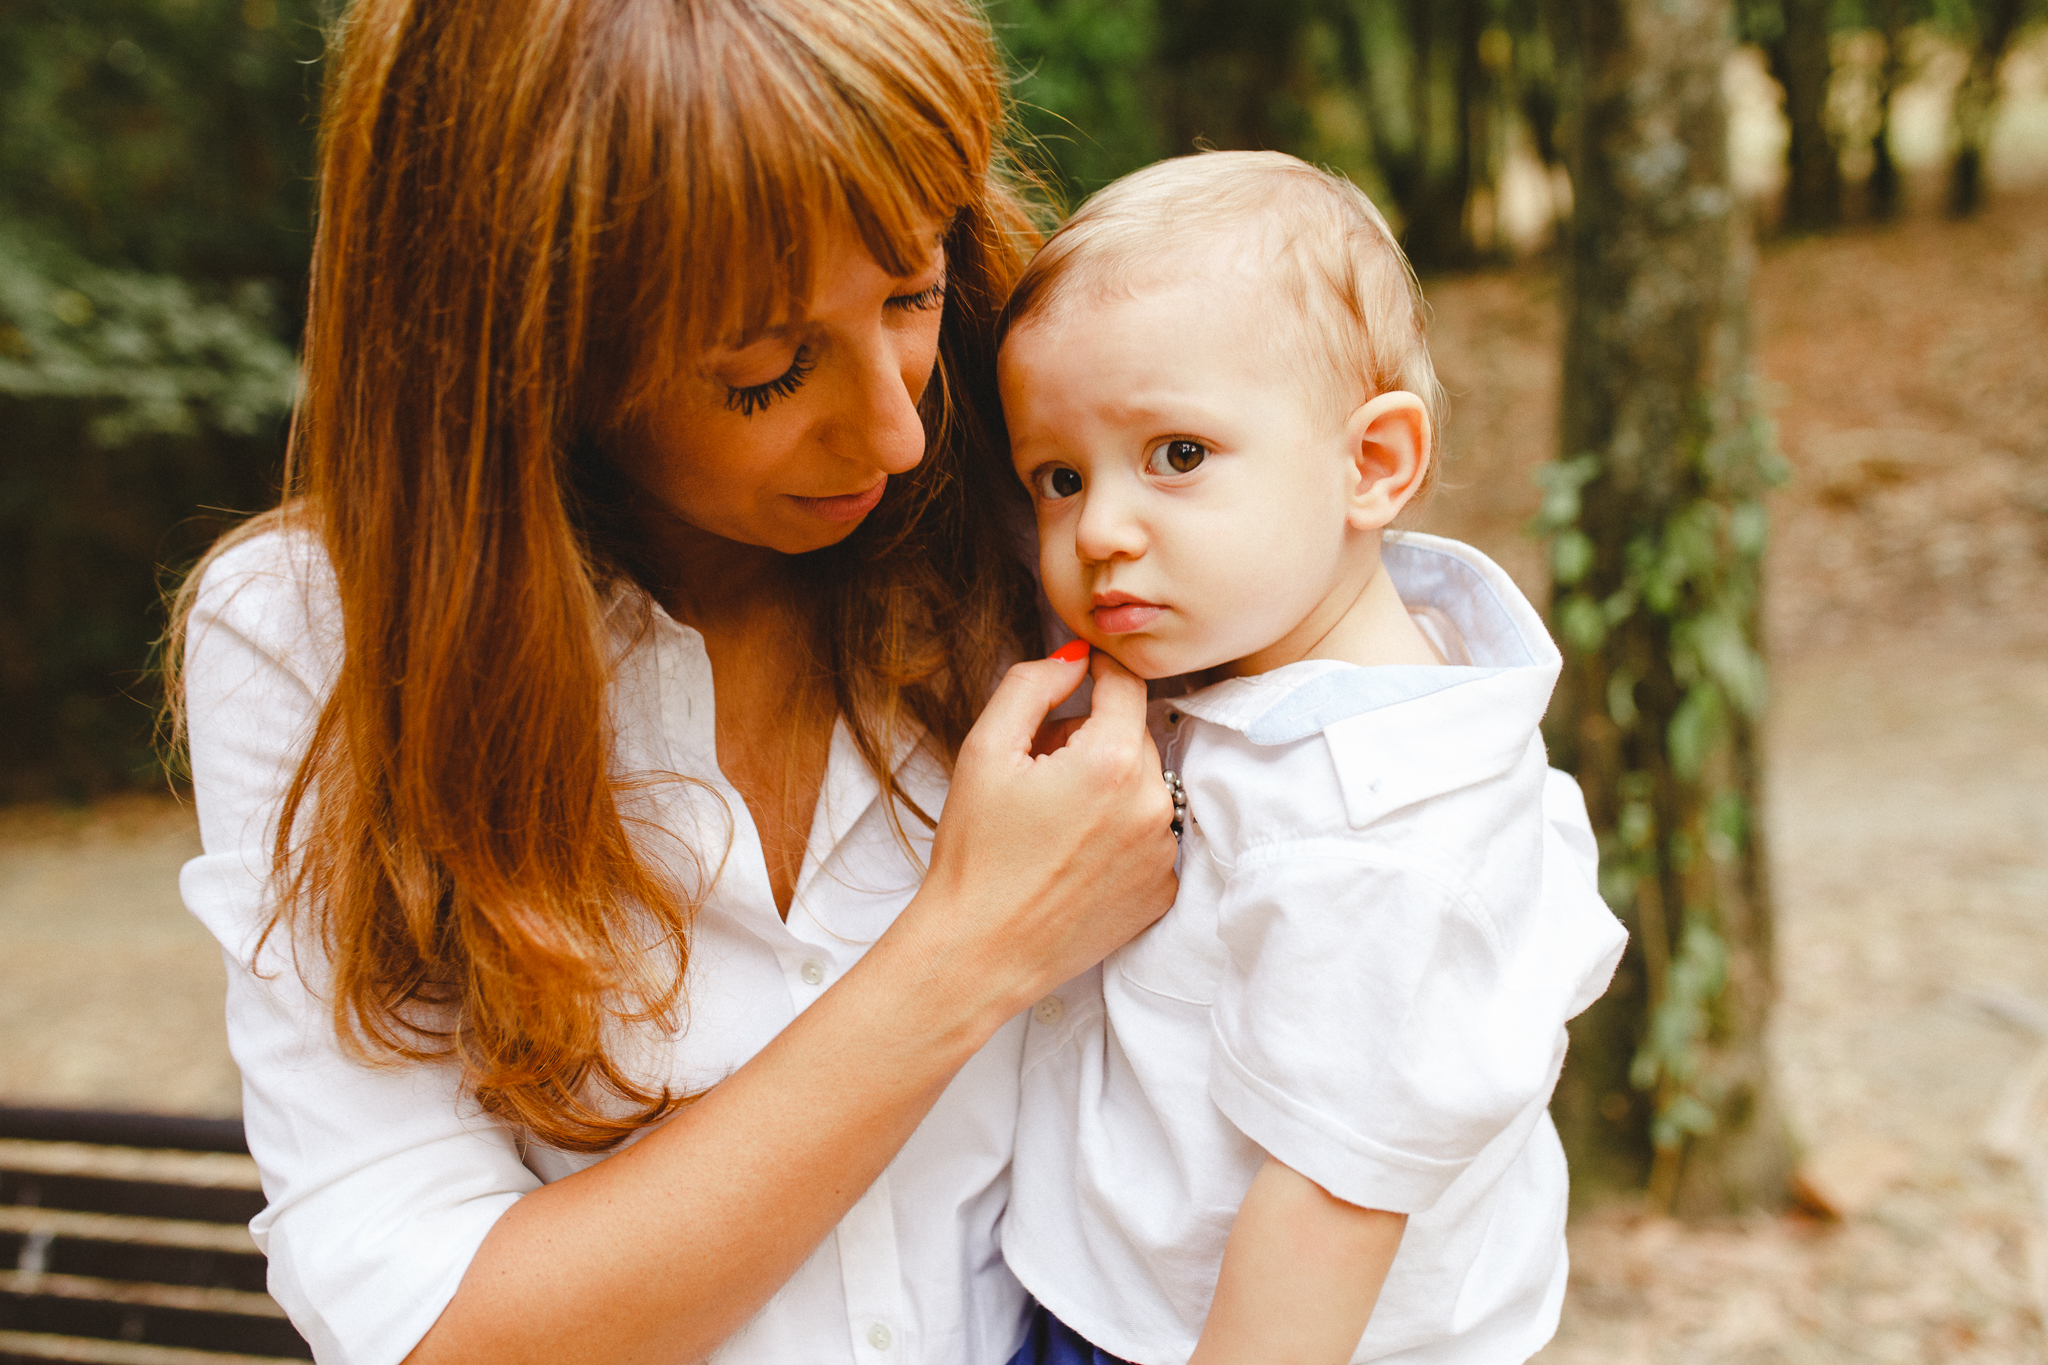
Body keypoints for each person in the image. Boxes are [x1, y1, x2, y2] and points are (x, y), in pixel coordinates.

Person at [171, 3, 1178, 1362]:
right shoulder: (317, 641)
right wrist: (974, 948)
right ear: (521, 345)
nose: (894, 421)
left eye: (912, 290)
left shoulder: (1067, 502)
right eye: (765, 373)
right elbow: (435, 1326)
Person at [995, 151, 1629, 1365]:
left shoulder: (1372, 833)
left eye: (1176, 454)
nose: (1101, 530)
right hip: (1118, 1284)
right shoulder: (1269, 663)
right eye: (1058, 479)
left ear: (1373, 465)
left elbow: (1333, 1197)